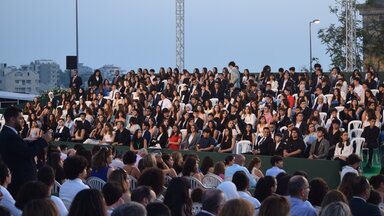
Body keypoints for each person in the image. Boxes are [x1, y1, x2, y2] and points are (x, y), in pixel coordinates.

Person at [0, 106, 51, 196]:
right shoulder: (10, 136)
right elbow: (27, 153)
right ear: (12, 119)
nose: (23, 120)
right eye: (20, 118)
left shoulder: (8, 133)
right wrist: (43, 140)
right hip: (21, 184)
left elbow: (22, 150)